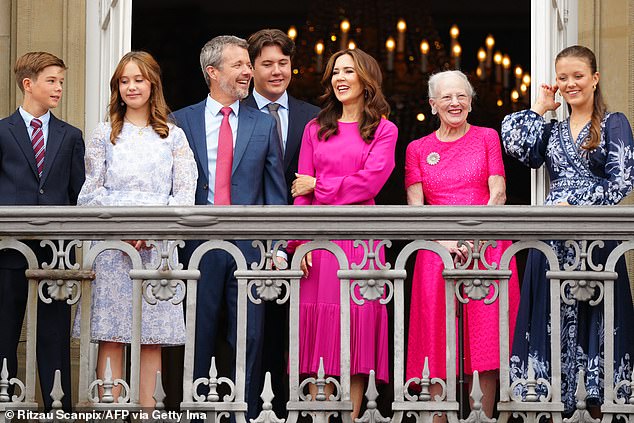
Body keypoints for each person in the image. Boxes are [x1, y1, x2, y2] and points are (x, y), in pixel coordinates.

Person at [501, 45, 634, 414]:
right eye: (563, 78)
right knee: (551, 313)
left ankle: (597, 396)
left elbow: (622, 181)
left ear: (595, 78)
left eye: (578, 76)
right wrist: (541, 107)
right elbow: (516, 145)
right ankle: (551, 393)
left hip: (596, 236)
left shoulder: (614, 123)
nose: (570, 83)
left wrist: (576, 204)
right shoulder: (554, 129)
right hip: (554, 237)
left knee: (597, 312)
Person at [171, 35, 287, 419]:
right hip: (195, 244)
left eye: (248, 65)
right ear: (213, 71)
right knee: (197, 335)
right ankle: (196, 412)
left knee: (249, 336)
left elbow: (275, 192)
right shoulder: (180, 121)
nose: (248, 72)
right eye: (239, 65)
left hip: (248, 247)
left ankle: (247, 412)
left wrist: (275, 249)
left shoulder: (262, 123)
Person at [73, 51, 197, 407]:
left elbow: (184, 195)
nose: (131, 87)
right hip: (113, 248)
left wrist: (154, 229)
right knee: (111, 335)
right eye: (124, 81)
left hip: (157, 249)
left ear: (152, 84)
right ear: (117, 88)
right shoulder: (103, 134)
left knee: (151, 337)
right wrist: (122, 226)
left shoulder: (173, 137)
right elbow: (90, 195)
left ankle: (147, 413)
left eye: (138, 80)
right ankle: (109, 412)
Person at [404, 70, 521, 419]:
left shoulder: (487, 137)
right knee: (436, 336)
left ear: (470, 101)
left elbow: (497, 192)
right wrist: (444, 240)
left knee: (486, 336)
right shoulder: (417, 149)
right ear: (433, 104)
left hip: (486, 248)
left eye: (462, 96)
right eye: (447, 97)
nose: (455, 103)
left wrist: (475, 236)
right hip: (437, 250)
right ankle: (437, 416)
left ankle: (481, 416)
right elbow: (415, 206)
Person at [291, 48, 397, 420]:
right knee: (322, 335)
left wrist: (319, 185)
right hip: (318, 243)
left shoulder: (384, 129)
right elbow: (298, 194)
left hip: (360, 242)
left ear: (366, 79)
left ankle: (350, 417)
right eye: (335, 72)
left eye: (348, 71)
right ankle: (321, 415)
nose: (339, 78)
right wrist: (299, 242)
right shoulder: (314, 128)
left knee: (355, 331)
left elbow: (369, 183)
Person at [0, 51, 85, 411]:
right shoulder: (2, 132)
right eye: (51, 80)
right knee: (3, 333)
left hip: (56, 253)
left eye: (61, 82)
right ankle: (5, 404)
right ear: (28, 84)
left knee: (53, 337)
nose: (58, 88)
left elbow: (78, 193)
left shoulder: (70, 136)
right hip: (7, 252)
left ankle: (57, 410)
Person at [244, 28, 320, 415]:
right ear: (252, 68)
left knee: (297, 337)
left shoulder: (316, 117)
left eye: (283, 63)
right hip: (246, 243)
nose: (277, 71)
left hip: (301, 244)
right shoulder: (234, 113)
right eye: (267, 64)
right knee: (248, 334)